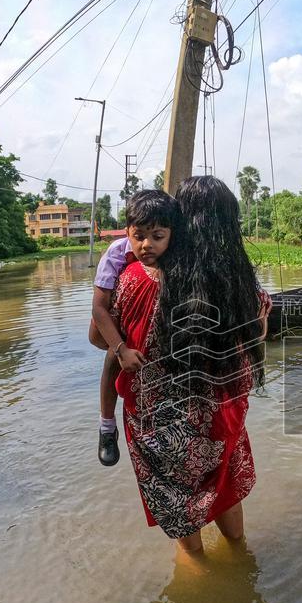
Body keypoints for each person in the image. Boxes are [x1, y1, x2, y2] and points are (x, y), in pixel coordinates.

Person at [112, 176, 272, 553]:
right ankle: (238, 560)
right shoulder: (245, 288)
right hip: (221, 415)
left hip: (160, 422)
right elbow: (257, 339)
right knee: (226, 487)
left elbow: (98, 337)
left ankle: (196, 578)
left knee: (178, 499)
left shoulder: (138, 280)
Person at [89, 190, 179, 466]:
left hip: (152, 323)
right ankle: (106, 428)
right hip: (112, 326)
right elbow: (99, 308)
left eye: (157, 237)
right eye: (138, 236)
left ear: (171, 234)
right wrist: (120, 348)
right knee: (111, 360)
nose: (147, 245)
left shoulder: (178, 253)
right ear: (128, 231)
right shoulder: (117, 253)